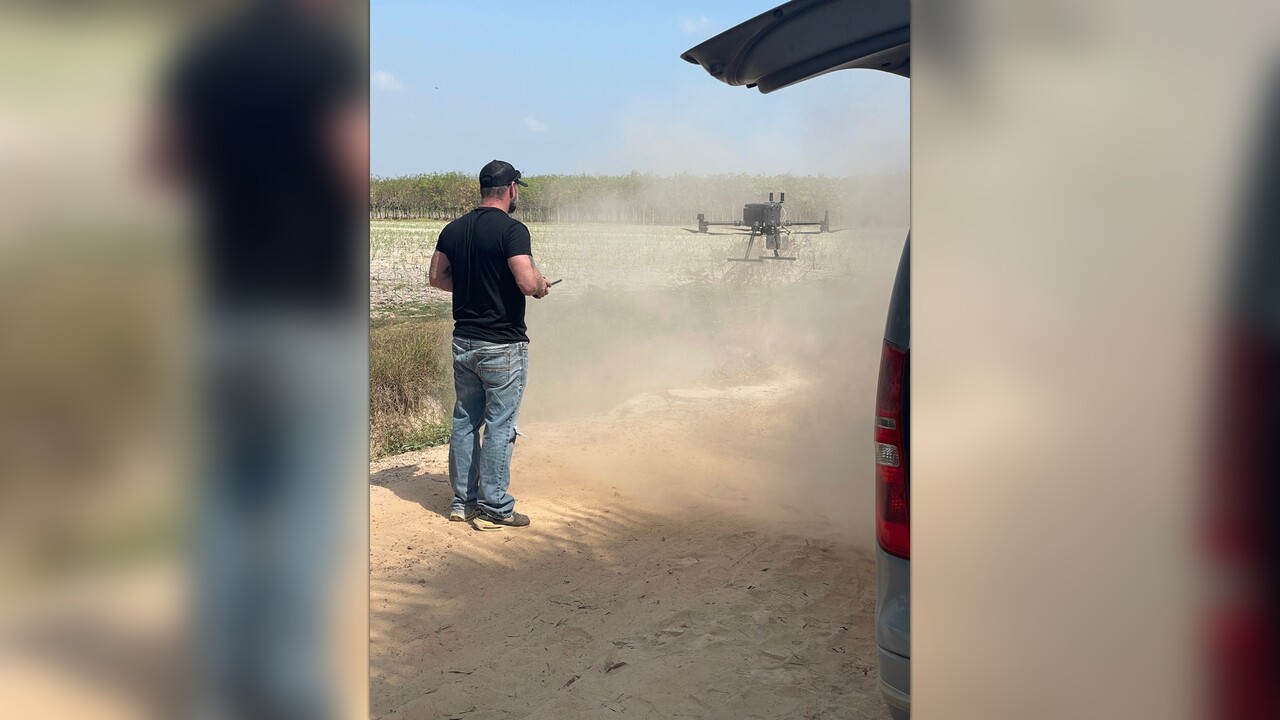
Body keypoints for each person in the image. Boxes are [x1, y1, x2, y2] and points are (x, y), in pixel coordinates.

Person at [429, 160, 550, 529]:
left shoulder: (453, 229)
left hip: (464, 340)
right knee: (500, 424)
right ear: (511, 189)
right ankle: (495, 504)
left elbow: (437, 277)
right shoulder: (513, 230)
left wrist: (472, 287)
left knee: (465, 419)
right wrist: (541, 285)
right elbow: (526, 282)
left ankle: (462, 501)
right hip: (503, 345)